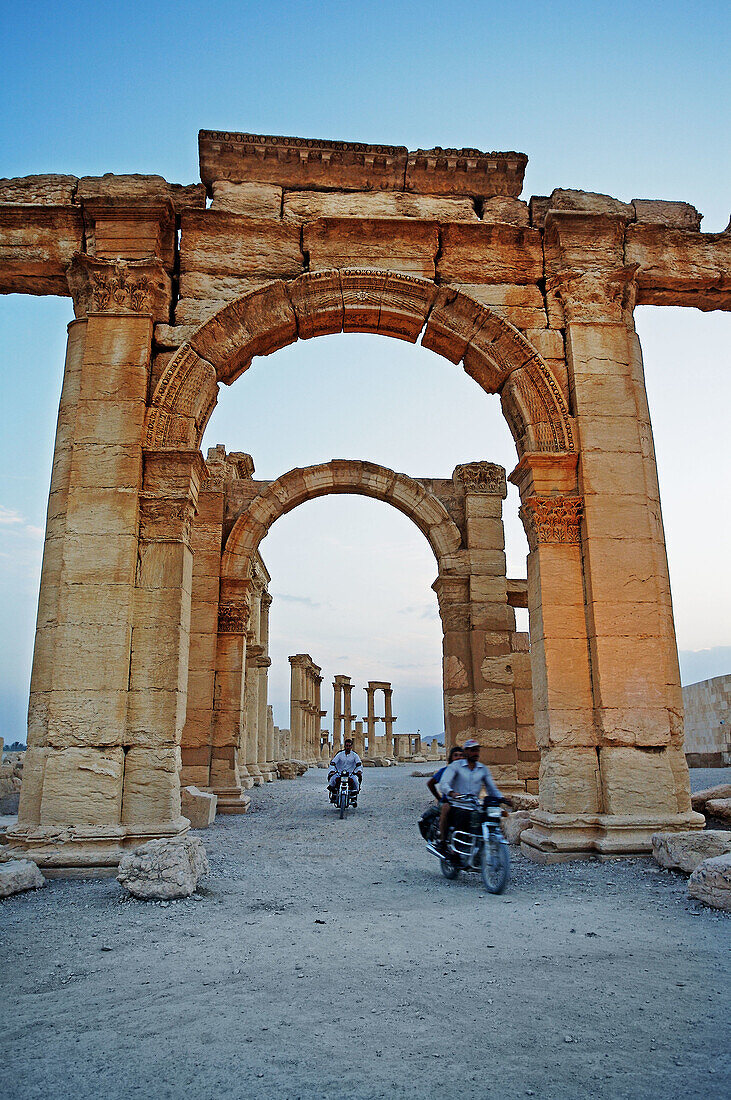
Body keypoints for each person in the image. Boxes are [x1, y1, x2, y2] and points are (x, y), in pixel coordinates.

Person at [436, 738, 502, 850]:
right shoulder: (456, 766)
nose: (475, 753)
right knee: (461, 818)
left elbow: (491, 788)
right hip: (458, 803)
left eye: (477, 750)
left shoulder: (482, 769)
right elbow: (444, 783)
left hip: (474, 805)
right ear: (465, 752)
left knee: (488, 819)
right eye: (472, 750)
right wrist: (451, 793)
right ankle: (447, 845)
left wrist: (501, 798)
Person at [422, 745, 463, 844]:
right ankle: (443, 839)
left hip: (463, 801)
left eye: (461, 755)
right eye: (456, 755)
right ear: (451, 758)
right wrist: (439, 798)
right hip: (448, 800)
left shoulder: (467, 771)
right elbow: (430, 783)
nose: (459, 757)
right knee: (445, 809)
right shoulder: (445, 771)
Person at [328, 737, 363, 805]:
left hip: (350, 774)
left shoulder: (354, 755)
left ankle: (354, 796)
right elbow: (333, 762)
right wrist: (332, 770)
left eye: (349, 746)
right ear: (344, 746)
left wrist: (359, 770)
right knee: (332, 779)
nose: (348, 747)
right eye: (347, 746)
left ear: (351, 746)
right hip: (340, 773)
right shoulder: (340, 754)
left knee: (356, 782)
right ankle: (333, 794)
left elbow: (359, 764)